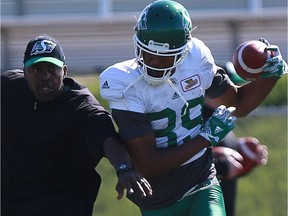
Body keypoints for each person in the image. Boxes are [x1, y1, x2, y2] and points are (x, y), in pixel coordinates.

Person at [99, 1, 287, 215]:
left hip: (202, 179)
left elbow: (239, 105)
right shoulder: (123, 82)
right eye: (147, 52)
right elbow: (148, 163)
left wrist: (271, 75)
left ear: (183, 50)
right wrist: (206, 138)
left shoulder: (196, 59)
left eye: (163, 56)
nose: (153, 61)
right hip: (158, 195)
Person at [1, 34, 152, 216]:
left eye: (52, 69)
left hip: (63, 205)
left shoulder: (80, 105)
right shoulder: (8, 89)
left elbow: (107, 137)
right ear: (25, 72)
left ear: (64, 71)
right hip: (13, 205)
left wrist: (124, 168)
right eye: (37, 70)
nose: (45, 76)